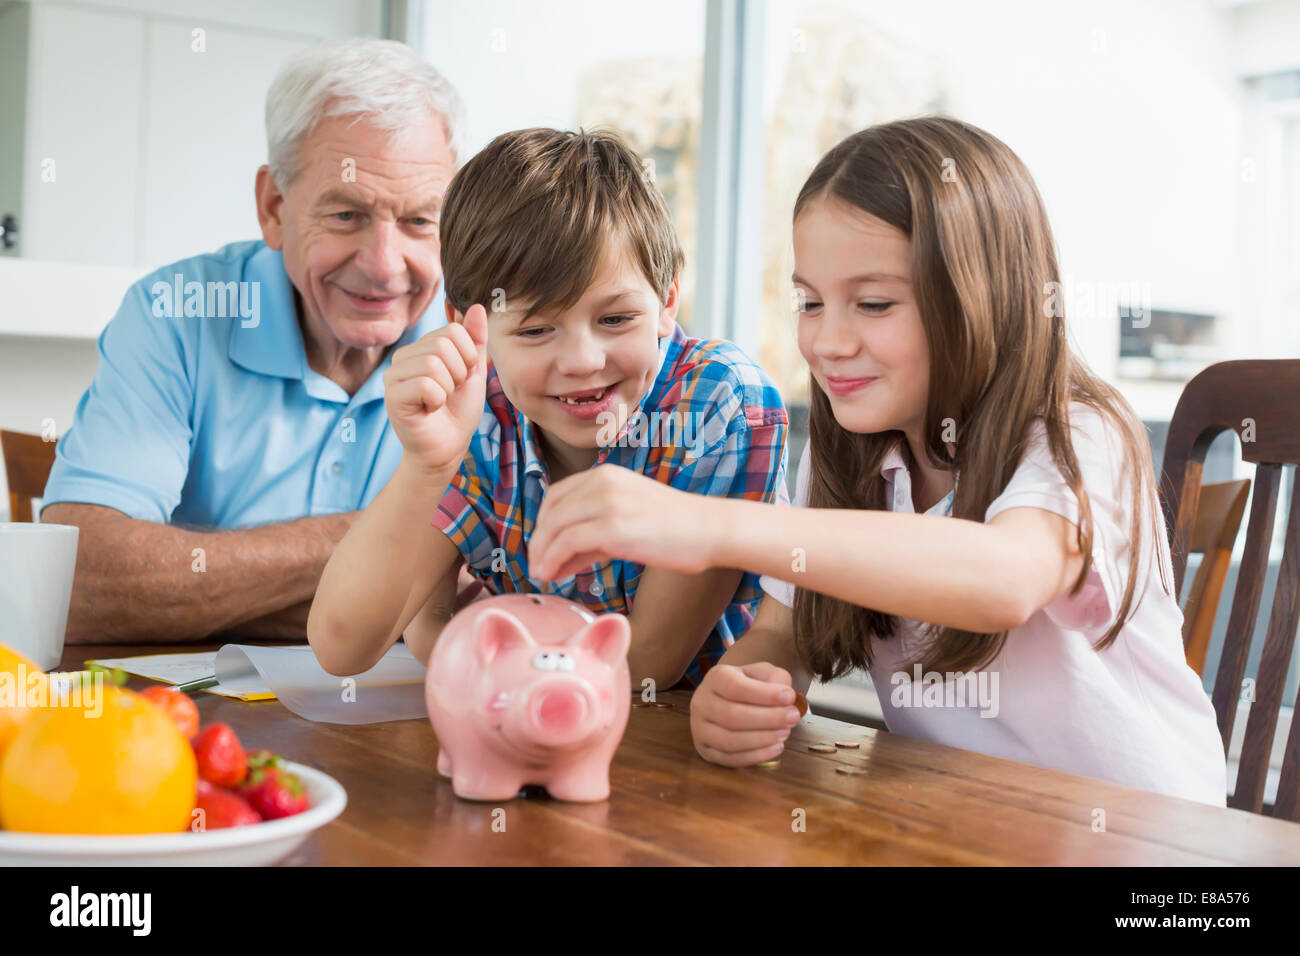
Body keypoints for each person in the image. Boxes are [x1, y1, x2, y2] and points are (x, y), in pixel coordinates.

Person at [525, 117, 1228, 806]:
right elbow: (781, 629)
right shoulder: (855, 450)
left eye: (873, 303)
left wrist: (707, 524)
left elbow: (1006, 577)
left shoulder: (1079, 434)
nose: (827, 341)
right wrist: (742, 690)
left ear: (984, 295)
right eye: (809, 302)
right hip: (967, 829)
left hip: (1154, 844)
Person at [308, 127, 789, 691]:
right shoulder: (478, 411)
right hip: (515, 732)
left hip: (679, 744)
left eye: (615, 319)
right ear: (466, 326)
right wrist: (425, 466)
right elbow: (341, 649)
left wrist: (465, 642)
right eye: (536, 329)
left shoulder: (718, 400)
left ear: (665, 301)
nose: (583, 361)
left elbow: (647, 666)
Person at [40, 38, 466, 643]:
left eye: (420, 220)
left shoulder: (487, 336)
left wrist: (213, 594)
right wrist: (390, 546)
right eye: (346, 215)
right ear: (274, 206)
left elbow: (495, 592)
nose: (383, 264)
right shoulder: (178, 313)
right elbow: (81, 584)